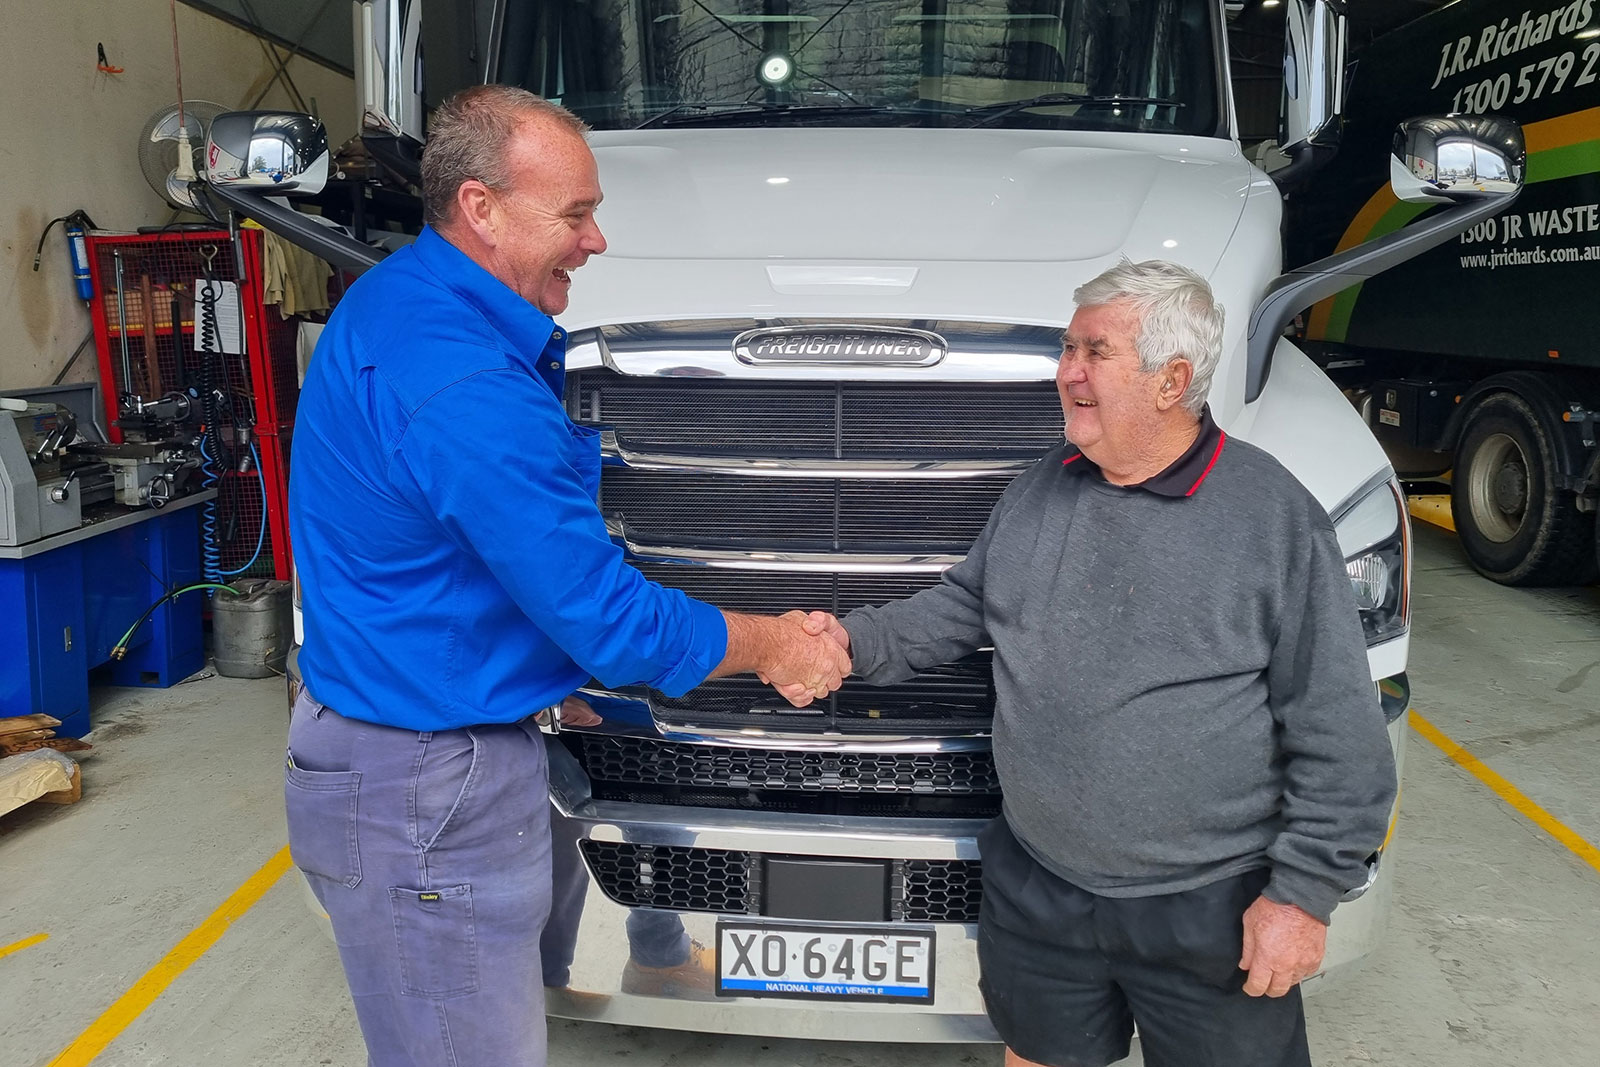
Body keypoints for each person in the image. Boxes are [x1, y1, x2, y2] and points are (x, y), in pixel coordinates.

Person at [284, 85, 848, 1067]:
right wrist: (776, 642)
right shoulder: (466, 389)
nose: (594, 243)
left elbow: (455, 556)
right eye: (576, 215)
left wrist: (547, 674)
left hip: (401, 742)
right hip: (426, 787)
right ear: (481, 208)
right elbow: (610, 619)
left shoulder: (397, 298)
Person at [801, 260, 1398, 1067]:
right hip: (1043, 887)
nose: (1066, 373)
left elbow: (1341, 735)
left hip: (1208, 905)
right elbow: (963, 605)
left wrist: (1300, 896)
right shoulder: (1044, 487)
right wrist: (847, 642)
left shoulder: (1272, 519)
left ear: (1171, 380)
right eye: (1067, 348)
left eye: (1094, 352)